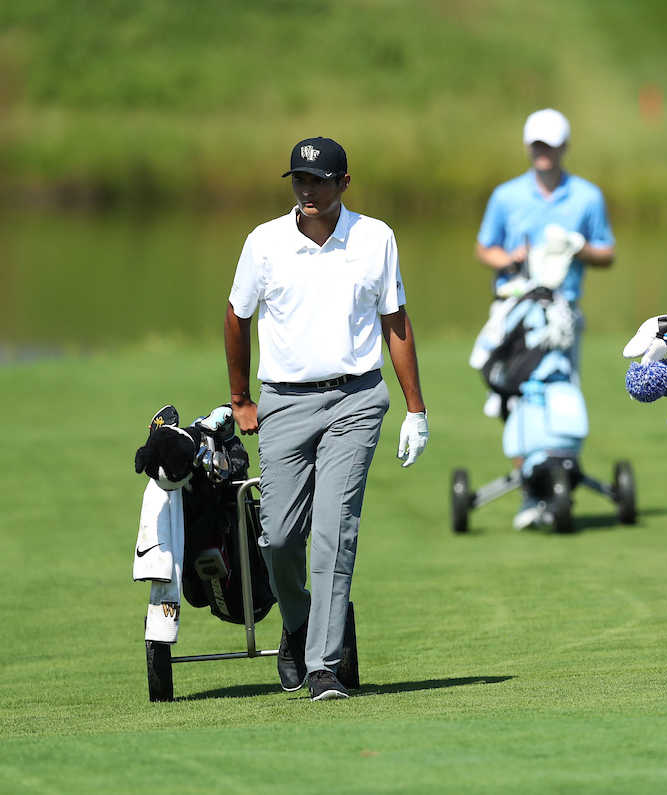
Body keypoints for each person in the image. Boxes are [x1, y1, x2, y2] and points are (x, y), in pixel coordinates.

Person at [224, 137, 429, 701]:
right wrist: (241, 398)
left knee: (335, 535)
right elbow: (237, 317)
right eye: (298, 180)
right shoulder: (264, 242)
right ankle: (297, 625)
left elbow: (396, 321)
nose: (307, 190)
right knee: (280, 539)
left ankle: (323, 667)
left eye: (318, 180)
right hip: (284, 402)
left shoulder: (375, 237)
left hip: (356, 400)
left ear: (343, 183)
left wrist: (416, 409)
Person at [474, 108, 616, 528]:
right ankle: (529, 491)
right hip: (516, 307)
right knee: (514, 392)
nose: (544, 153)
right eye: (537, 145)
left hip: (564, 314)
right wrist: (512, 258)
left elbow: (606, 252)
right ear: (528, 146)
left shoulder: (586, 196)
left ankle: (557, 482)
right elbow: (485, 248)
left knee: (560, 391)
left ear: (564, 147)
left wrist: (578, 247)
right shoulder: (507, 196)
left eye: (551, 146)